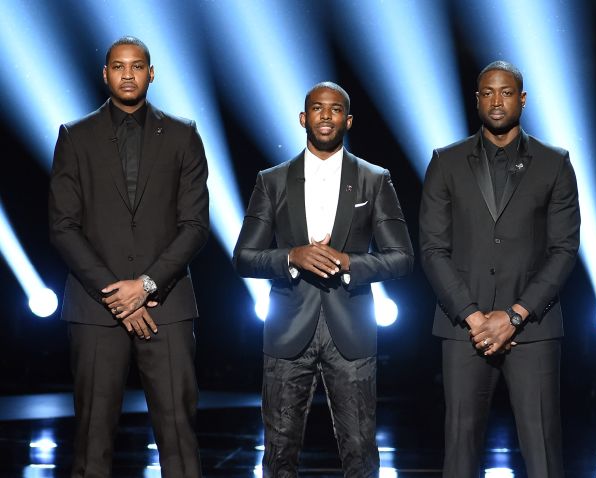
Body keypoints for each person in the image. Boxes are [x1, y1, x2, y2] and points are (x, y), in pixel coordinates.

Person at [233, 82, 414, 477]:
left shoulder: (374, 179)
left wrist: (350, 262)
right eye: (317, 108)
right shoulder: (273, 180)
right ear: (304, 117)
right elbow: (244, 257)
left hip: (351, 327)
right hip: (287, 327)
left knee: (360, 452)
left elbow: (402, 258)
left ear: (348, 120)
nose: (326, 116)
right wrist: (292, 257)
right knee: (279, 452)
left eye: (335, 110)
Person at [48, 36, 209, 477]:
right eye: (118, 66)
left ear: (151, 73)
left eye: (137, 66)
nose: (127, 74)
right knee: (92, 440)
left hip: (167, 306)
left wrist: (147, 286)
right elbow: (63, 226)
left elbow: (195, 225)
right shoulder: (75, 136)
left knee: (178, 436)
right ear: (105, 74)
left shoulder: (183, 134)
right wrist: (116, 295)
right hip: (95, 309)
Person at [420, 60, 580, 477]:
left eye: (506, 92)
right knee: (459, 451)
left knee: (543, 449)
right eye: (488, 92)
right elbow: (433, 249)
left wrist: (514, 315)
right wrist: (475, 317)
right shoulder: (446, 161)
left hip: (533, 328)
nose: (497, 100)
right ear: (477, 99)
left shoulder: (554, 162)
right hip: (462, 328)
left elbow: (564, 249)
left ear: (522, 99)